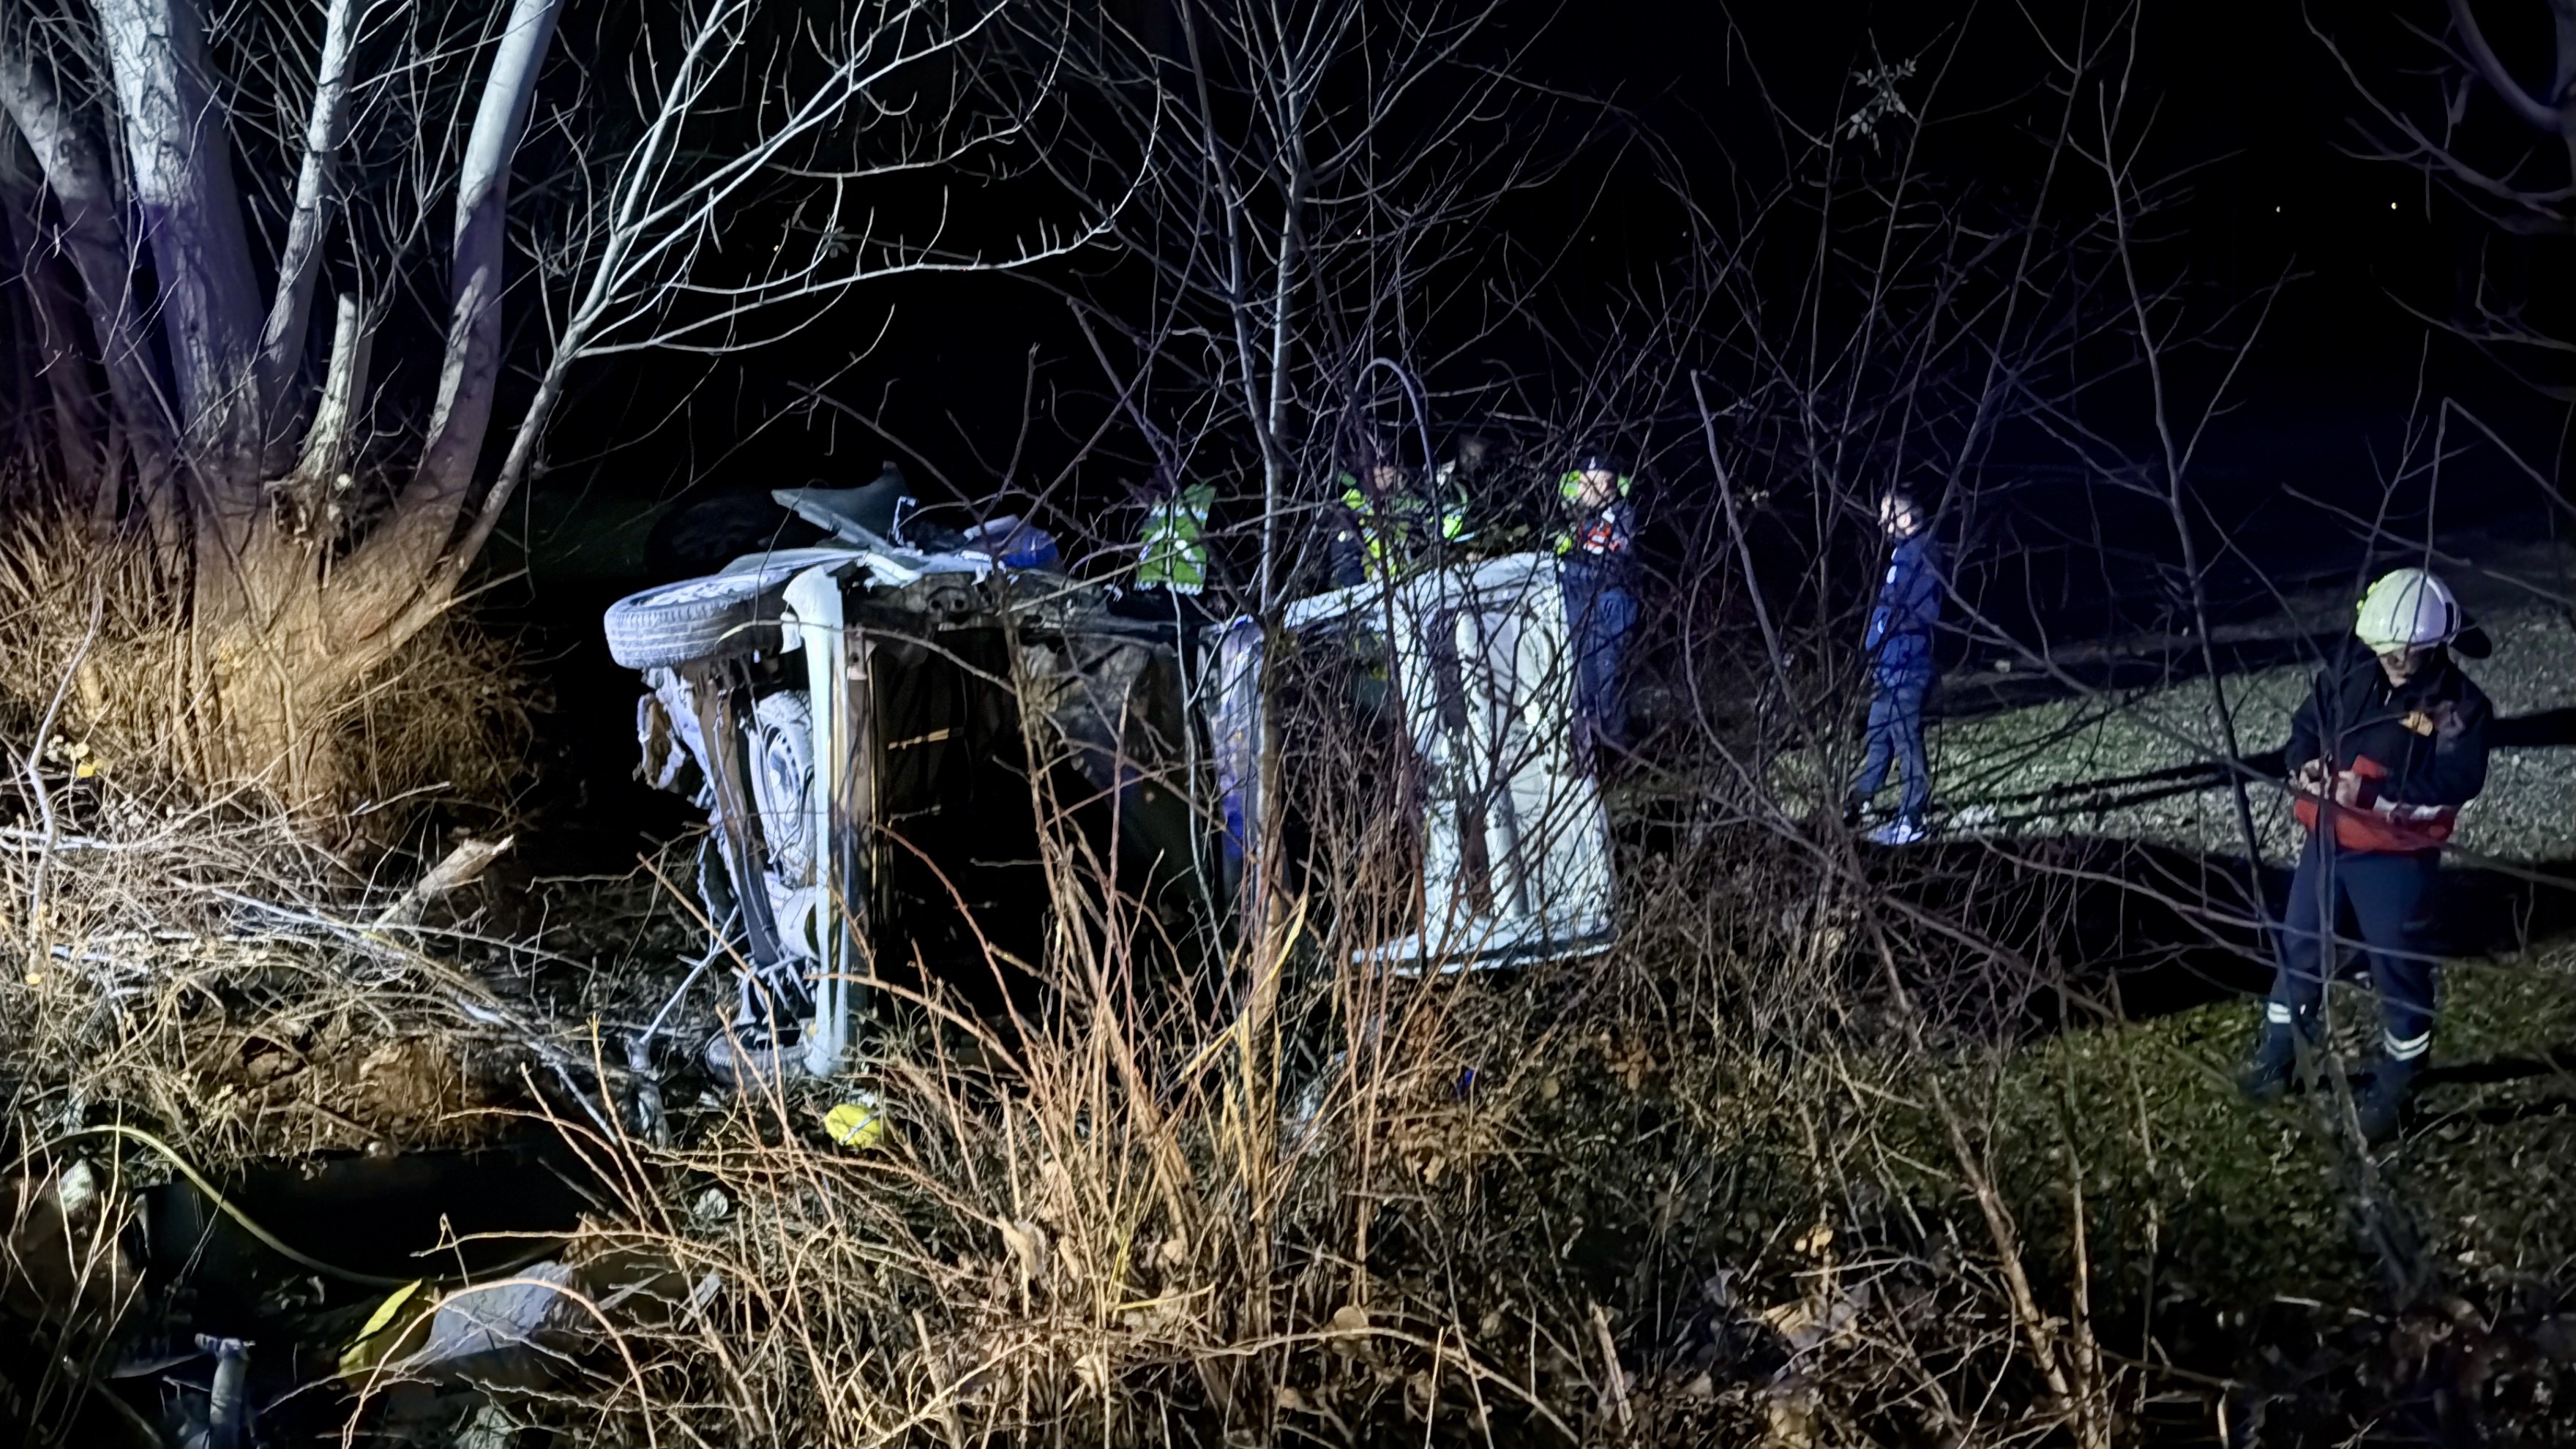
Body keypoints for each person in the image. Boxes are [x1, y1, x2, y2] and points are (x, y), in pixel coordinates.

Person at [2238, 566, 2492, 1142]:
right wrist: (2302, 763)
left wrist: (2374, 794)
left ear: (2436, 643)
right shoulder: (2350, 671)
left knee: (2397, 971)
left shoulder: (2457, 706)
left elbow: (2458, 781)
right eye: (2386, 650)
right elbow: (2305, 727)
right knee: (2299, 950)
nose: (2396, 660)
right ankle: (2278, 1052)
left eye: (2408, 651)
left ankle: (2398, 1085)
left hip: (2396, 862)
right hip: (2326, 844)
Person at [1846, 490, 1942, 844]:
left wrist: (1891, 630)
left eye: (1886, 514)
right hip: (1887, 666)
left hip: (1909, 665)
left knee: (1905, 739)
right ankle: (1856, 804)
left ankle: (1912, 819)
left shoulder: (1923, 553)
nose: (1880, 522)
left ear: (1906, 517)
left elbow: (1925, 610)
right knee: (1878, 736)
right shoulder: (1902, 554)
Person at [1554, 449, 1637, 759]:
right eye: (1582, 484)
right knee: (1580, 679)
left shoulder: (1623, 515)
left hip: (1610, 603)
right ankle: (1587, 753)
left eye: (1592, 484)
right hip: (1578, 604)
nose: (1583, 491)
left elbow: (1613, 563)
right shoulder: (1575, 519)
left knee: (1607, 678)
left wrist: (1571, 567)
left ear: (1607, 486)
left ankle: (1615, 751)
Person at [1329, 437, 1467, 588]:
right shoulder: (1351, 505)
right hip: (1370, 591)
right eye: (1383, 466)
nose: (1391, 472)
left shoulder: (1403, 499)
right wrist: (1362, 591)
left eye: (1393, 465)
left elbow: (1435, 533)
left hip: (1404, 587)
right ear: (1370, 470)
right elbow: (1345, 561)